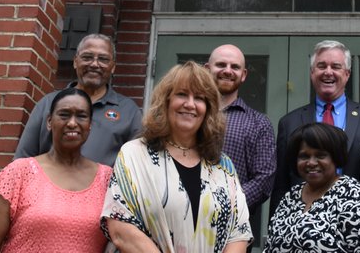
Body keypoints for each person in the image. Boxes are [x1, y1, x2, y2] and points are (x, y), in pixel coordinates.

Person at [102, 61, 251, 253]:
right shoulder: (134, 154)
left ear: (208, 108)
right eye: (182, 94)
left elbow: (239, 232)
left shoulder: (223, 165)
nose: (190, 104)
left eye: (199, 98)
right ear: (166, 101)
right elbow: (120, 227)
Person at [0, 87, 114, 253]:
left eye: (81, 116)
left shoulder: (107, 179)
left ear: (90, 125)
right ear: (49, 121)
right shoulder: (19, 172)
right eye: (64, 115)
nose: (72, 123)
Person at [271, 40, 360, 208]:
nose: (328, 72)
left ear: (347, 74)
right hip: (304, 215)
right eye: (321, 66)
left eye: (336, 67)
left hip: (357, 214)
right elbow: (281, 184)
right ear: (312, 72)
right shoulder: (289, 123)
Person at [16, 33, 143, 166]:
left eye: (103, 59)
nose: (94, 64)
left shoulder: (129, 112)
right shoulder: (48, 103)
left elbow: (138, 166)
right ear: (75, 61)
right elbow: (23, 161)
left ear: (113, 67)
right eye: (87, 57)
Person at [263, 123, 360, 253]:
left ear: (335, 157)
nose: (311, 163)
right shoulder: (290, 197)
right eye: (304, 156)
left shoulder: (357, 197)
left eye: (320, 156)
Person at [208, 44, 276, 248]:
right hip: (180, 222)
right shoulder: (189, 114)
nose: (227, 70)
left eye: (235, 67)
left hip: (232, 232)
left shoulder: (258, 123)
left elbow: (264, 180)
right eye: (221, 64)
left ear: (243, 74)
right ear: (206, 69)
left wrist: (219, 204)